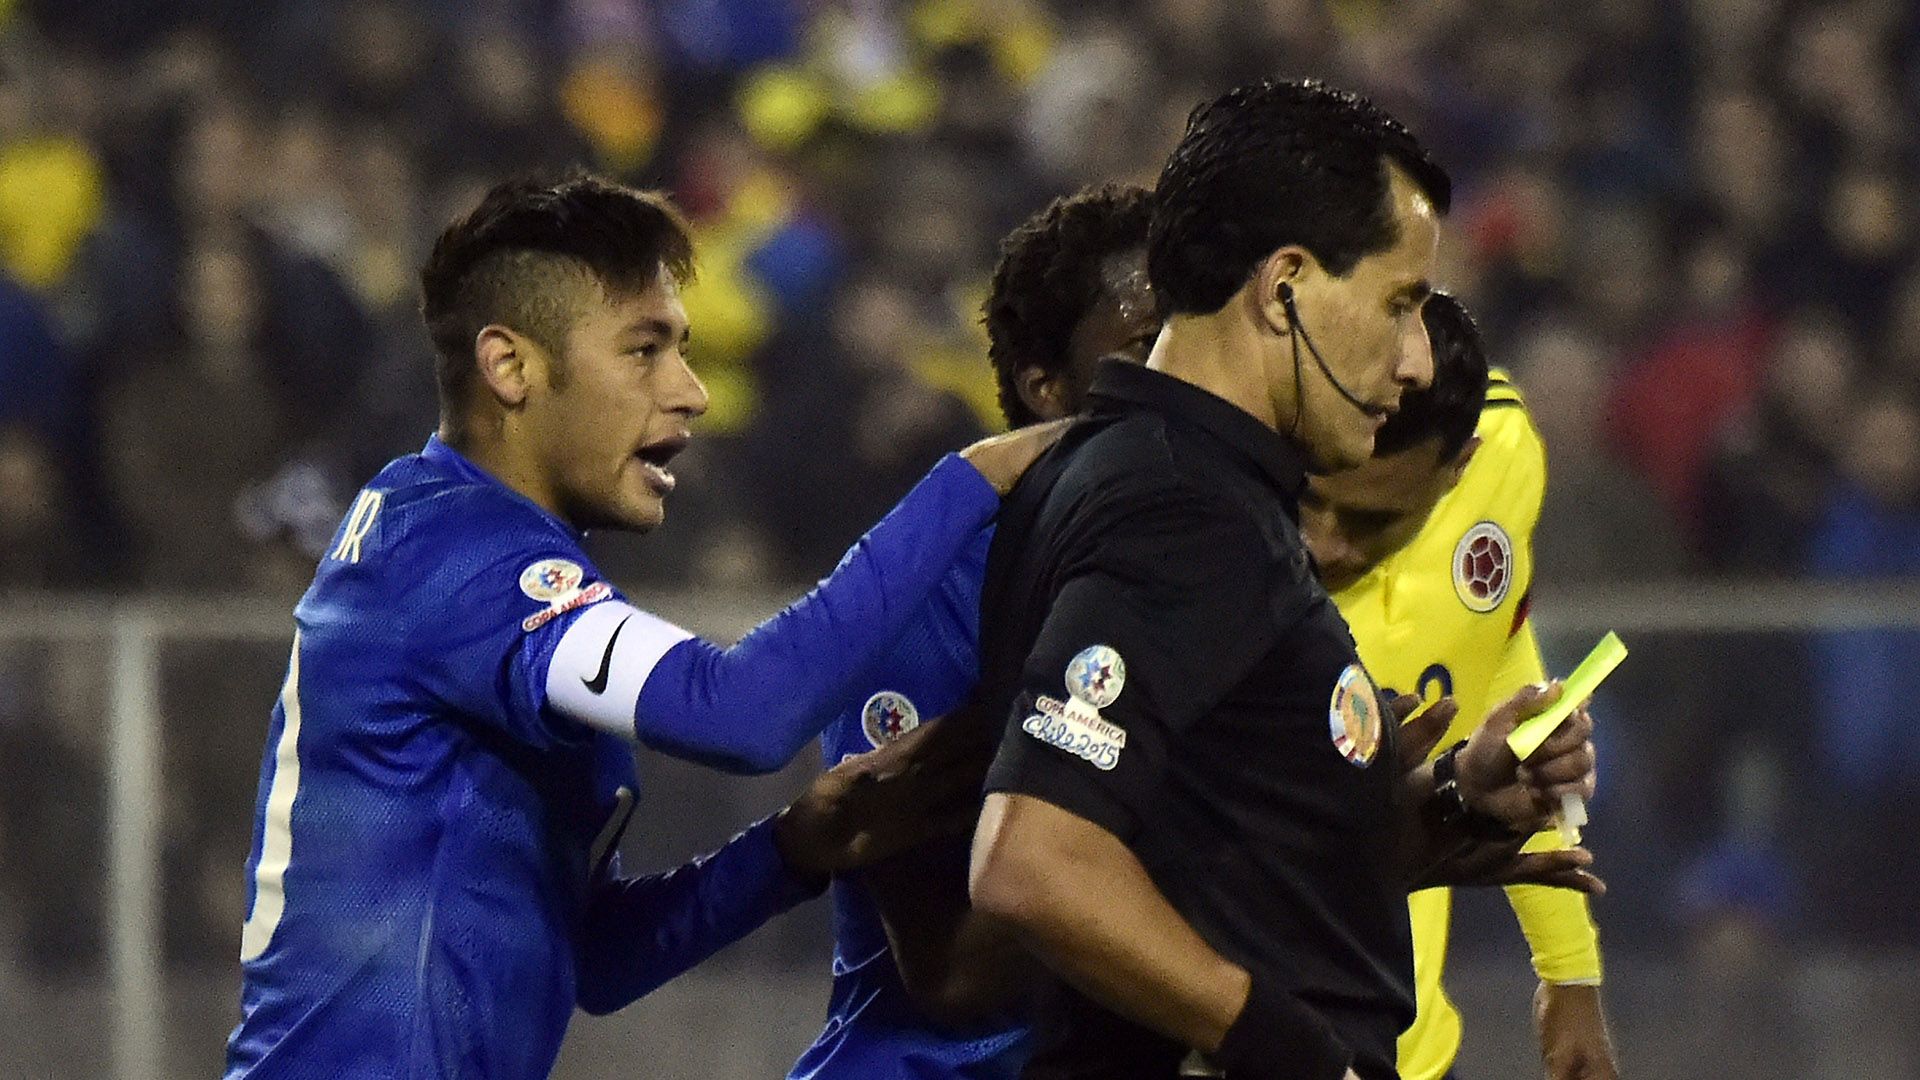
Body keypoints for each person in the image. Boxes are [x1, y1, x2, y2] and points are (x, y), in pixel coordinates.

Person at [223, 172, 1061, 1078]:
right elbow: (744, 712)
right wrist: (974, 479)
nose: (692, 391)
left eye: (684, 350)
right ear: (512, 367)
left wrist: (793, 848)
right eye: (644, 350)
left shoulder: (469, 551)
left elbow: (599, 958)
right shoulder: (456, 552)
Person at [964, 79, 1594, 1080]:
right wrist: (1294, 1051)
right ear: (1286, 285)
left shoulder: (1150, 475)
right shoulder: (1185, 512)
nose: (1421, 360)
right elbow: (1034, 861)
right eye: (1400, 303)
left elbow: (1207, 845)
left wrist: (1449, 808)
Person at [1299, 295, 1618, 1080]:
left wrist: (1569, 970)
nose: (1325, 543)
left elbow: (1500, 660)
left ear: (1455, 468)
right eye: (1311, 496)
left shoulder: (1504, 450)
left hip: (1407, 1051)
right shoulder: (1212, 543)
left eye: (1369, 516)